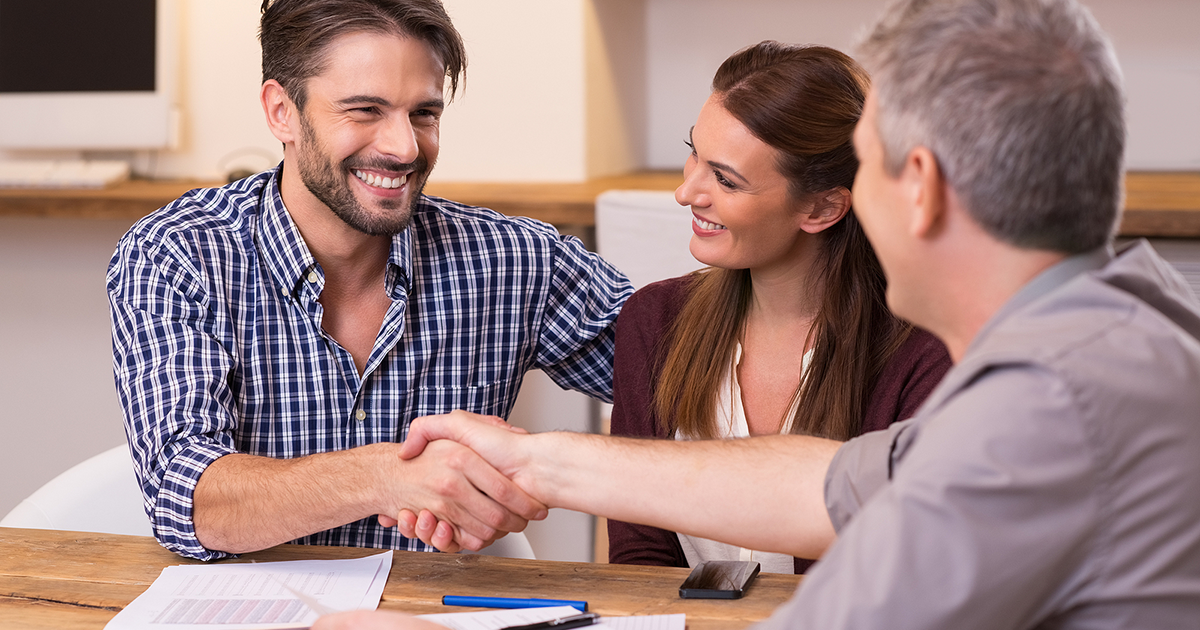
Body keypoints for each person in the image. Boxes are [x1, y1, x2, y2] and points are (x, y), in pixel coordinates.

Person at [352, 0, 1200, 627]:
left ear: (924, 187)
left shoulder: (1050, 407)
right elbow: (828, 485)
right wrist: (534, 463)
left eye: (864, 171)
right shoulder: (1120, 337)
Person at [106, 0, 631, 562]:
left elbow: (698, 381)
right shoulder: (176, 254)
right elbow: (187, 497)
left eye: (424, 114)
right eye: (364, 111)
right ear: (281, 110)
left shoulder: (514, 260)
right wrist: (391, 475)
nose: (404, 148)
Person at [607, 41, 949, 575]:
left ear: (822, 207)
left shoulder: (925, 352)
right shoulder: (654, 321)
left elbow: (904, 570)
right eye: (694, 151)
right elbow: (641, 556)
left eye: (725, 179)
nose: (685, 191)